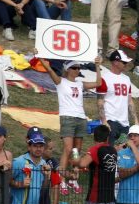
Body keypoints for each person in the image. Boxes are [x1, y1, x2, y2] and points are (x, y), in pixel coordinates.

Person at [43, 59, 104, 194]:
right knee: (68, 148)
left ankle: (73, 178)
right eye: (75, 68)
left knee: (77, 149)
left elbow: (98, 83)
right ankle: (62, 179)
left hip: (81, 118)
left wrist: (98, 66)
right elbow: (48, 70)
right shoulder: (60, 82)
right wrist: (41, 59)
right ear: (68, 70)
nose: (78, 70)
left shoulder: (80, 84)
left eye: (78, 68)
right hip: (67, 118)